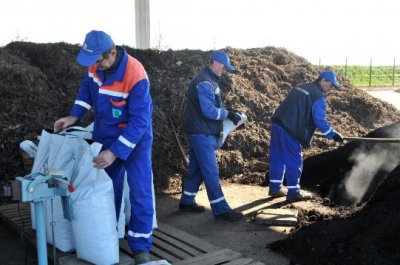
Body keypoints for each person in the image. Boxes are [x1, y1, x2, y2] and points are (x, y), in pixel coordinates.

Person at [54, 30, 154, 264]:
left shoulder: (135, 74)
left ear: (111, 53)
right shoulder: (94, 66)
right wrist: (74, 116)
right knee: (104, 190)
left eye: (98, 61)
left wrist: (115, 152)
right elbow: (87, 91)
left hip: (134, 140)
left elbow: (140, 121)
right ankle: (108, 234)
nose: (94, 67)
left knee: (140, 190)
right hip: (105, 134)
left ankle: (140, 246)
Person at [179, 50, 243, 222]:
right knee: (211, 171)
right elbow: (208, 111)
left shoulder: (208, 79)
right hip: (202, 133)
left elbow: (211, 106)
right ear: (214, 62)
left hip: (199, 130)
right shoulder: (206, 82)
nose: (224, 70)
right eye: (223, 66)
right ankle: (221, 210)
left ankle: (186, 200)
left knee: (197, 169)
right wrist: (227, 114)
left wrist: (228, 112)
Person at [268, 70, 344, 202]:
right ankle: (293, 192)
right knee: (294, 160)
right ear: (323, 80)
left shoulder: (301, 86)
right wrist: (333, 134)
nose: (331, 89)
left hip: (278, 123)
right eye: (331, 85)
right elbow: (319, 121)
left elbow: (296, 106)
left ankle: (275, 188)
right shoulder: (319, 97)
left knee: (277, 157)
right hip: (291, 130)